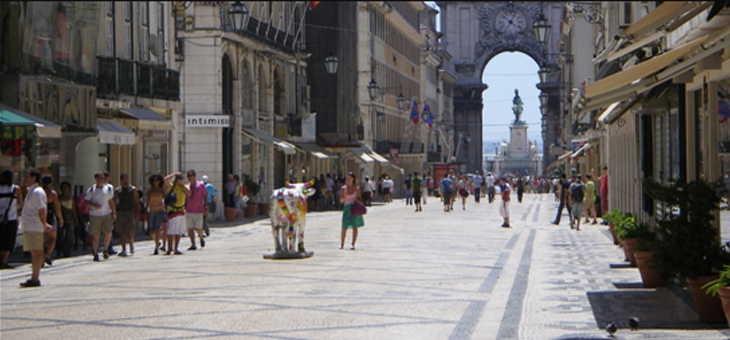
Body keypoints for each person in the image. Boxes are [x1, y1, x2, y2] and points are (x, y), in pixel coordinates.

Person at [19, 169, 51, 287]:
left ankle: (35, 277)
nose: (25, 178)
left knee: (36, 251)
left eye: (27, 176)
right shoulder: (31, 191)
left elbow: (41, 210)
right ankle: (34, 276)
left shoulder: (37, 192)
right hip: (30, 225)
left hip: (34, 225)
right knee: (34, 251)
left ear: (34, 178)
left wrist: (44, 223)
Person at [85, 172, 117, 262]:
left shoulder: (108, 189)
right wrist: (94, 205)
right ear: (96, 179)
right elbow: (86, 201)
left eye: (103, 178)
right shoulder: (91, 190)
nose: (102, 180)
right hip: (95, 214)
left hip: (106, 213)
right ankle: (95, 252)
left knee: (108, 232)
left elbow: (111, 201)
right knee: (95, 234)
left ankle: (105, 249)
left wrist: (113, 212)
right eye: (100, 178)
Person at [0, 170, 23, 269]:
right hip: (11, 218)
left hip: (0, 218)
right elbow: (20, 203)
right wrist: (14, 209)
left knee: (1, 240)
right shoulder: (15, 189)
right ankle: (4, 260)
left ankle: (1, 260)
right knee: (9, 240)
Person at [164, 172, 189, 255]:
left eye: (182, 179)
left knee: (178, 231)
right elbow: (165, 180)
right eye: (179, 179)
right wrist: (173, 174)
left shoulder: (183, 187)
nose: (180, 181)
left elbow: (189, 193)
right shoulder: (172, 186)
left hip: (181, 211)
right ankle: (169, 249)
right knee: (170, 231)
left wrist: (182, 185)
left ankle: (176, 248)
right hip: (172, 211)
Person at [114, 174, 138, 257]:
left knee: (130, 230)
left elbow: (136, 201)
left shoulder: (133, 189)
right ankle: (123, 249)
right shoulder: (117, 190)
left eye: (127, 179)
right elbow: (115, 201)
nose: (126, 181)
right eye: (124, 179)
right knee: (122, 231)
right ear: (121, 180)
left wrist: (137, 212)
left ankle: (131, 243)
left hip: (129, 211)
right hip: (121, 212)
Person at [41, 175, 63, 266]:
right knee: (52, 238)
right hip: (50, 216)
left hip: (40, 216)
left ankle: (41, 258)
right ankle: (48, 254)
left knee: (41, 239)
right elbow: (57, 207)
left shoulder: (39, 192)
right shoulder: (52, 194)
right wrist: (60, 218)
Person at [339, 172, 364, 250]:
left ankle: (353, 244)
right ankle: (342, 244)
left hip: (354, 208)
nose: (348, 180)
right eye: (347, 178)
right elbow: (341, 200)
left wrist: (355, 199)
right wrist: (344, 196)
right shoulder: (343, 189)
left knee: (354, 226)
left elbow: (360, 199)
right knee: (344, 227)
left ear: (353, 179)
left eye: (349, 178)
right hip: (347, 208)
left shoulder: (357, 189)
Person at [185, 169, 207, 250]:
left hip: (198, 210)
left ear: (194, 176)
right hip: (189, 210)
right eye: (188, 176)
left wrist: (205, 206)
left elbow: (204, 196)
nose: (189, 178)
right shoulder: (187, 187)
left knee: (198, 228)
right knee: (190, 228)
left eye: (190, 176)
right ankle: (193, 244)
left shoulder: (200, 185)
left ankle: (201, 237)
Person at [146, 174, 166, 255]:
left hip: (160, 211)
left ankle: (156, 247)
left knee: (157, 228)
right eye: (154, 180)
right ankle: (157, 242)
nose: (155, 182)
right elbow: (148, 201)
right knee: (151, 231)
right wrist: (145, 209)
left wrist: (166, 211)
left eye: (157, 180)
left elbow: (165, 201)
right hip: (152, 211)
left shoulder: (162, 190)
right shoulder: (150, 191)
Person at [57, 181, 75, 258]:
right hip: (61, 218)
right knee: (59, 235)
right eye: (63, 187)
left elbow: (74, 209)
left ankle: (67, 251)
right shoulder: (58, 198)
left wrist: (76, 218)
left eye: (66, 187)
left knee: (69, 235)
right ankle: (59, 250)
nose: (65, 189)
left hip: (70, 218)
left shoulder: (71, 198)